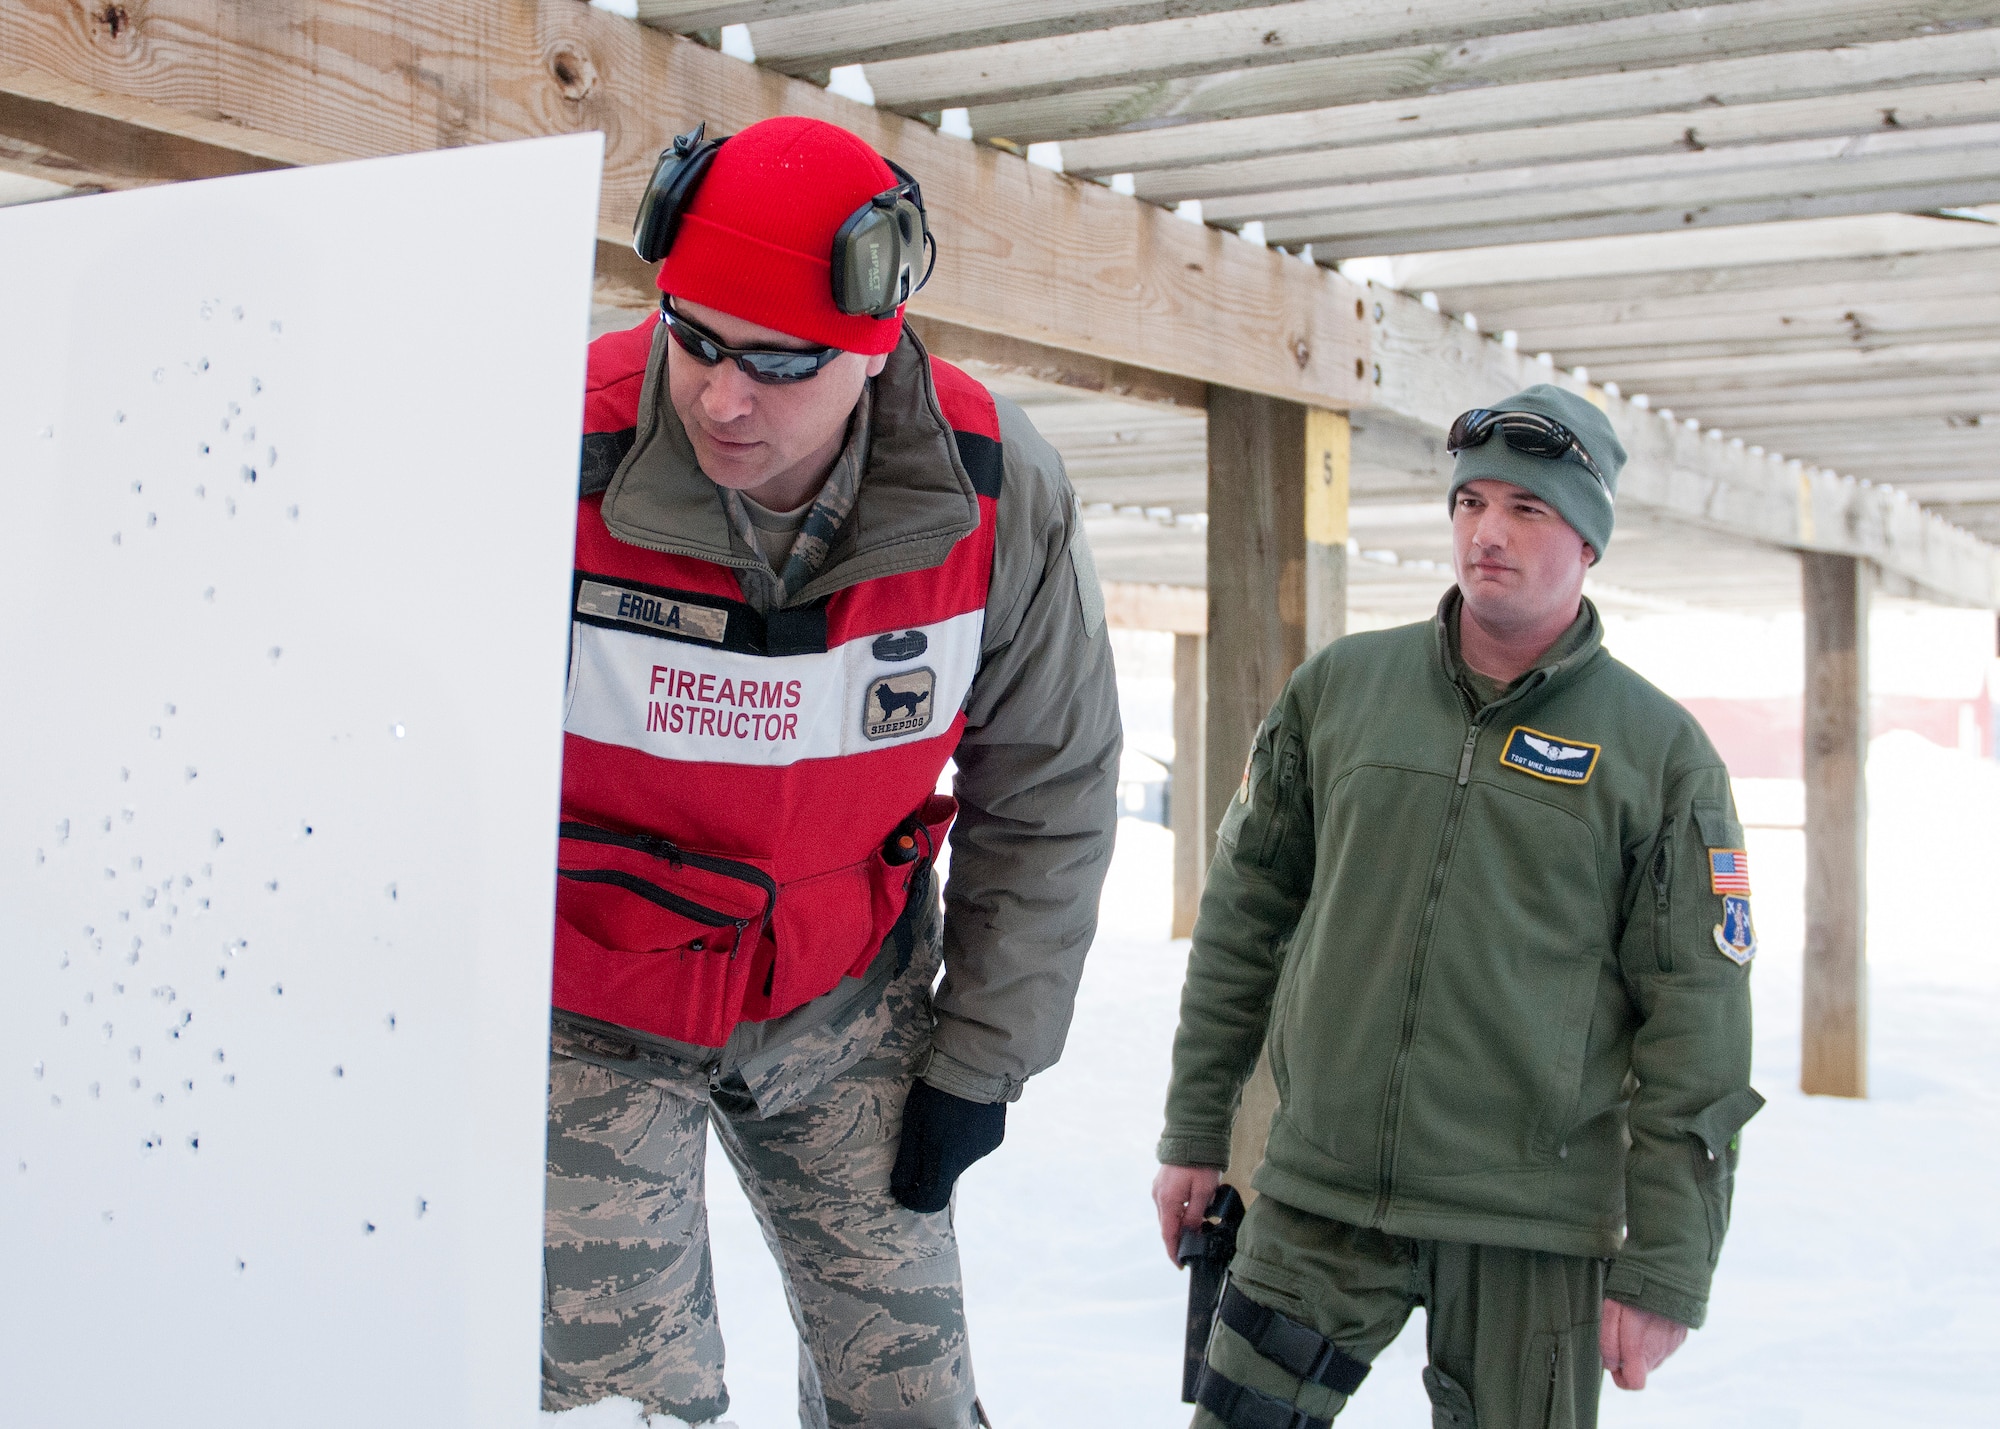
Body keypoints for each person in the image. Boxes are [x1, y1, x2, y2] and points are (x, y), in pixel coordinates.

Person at [543, 115, 1120, 1428]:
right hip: (591, 1001)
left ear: (873, 346)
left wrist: (983, 1055)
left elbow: (1055, 787)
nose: (720, 397)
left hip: (838, 997)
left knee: (910, 1395)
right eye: (692, 336)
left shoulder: (992, 491)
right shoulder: (554, 455)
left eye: (780, 360)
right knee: (619, 1397)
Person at [1153, 386, 1762, 1429]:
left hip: (1528, 1225)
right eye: (1469, 502)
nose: (1486, 532)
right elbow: (1242, 920)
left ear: (1586, 540)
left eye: (1525, 509)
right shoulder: (1339, 690)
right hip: (1318, 1199)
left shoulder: (1658, 756)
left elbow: (1695, 1027)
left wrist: (1665, 1262)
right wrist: (1193, 1126)